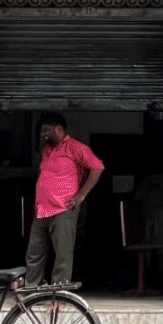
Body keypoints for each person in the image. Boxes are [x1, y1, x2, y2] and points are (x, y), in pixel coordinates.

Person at [26, 112, 105, 287]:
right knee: (34, 253)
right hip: (42, 209)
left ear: (58, 129)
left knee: (62, 255)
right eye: (41, 131)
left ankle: (59, 295)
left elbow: (97, 167)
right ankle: (30, 292)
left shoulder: (76, 147)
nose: (43, 134)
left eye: (46, 130)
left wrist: (81, 195)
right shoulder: (47, 149)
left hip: (63, 209)